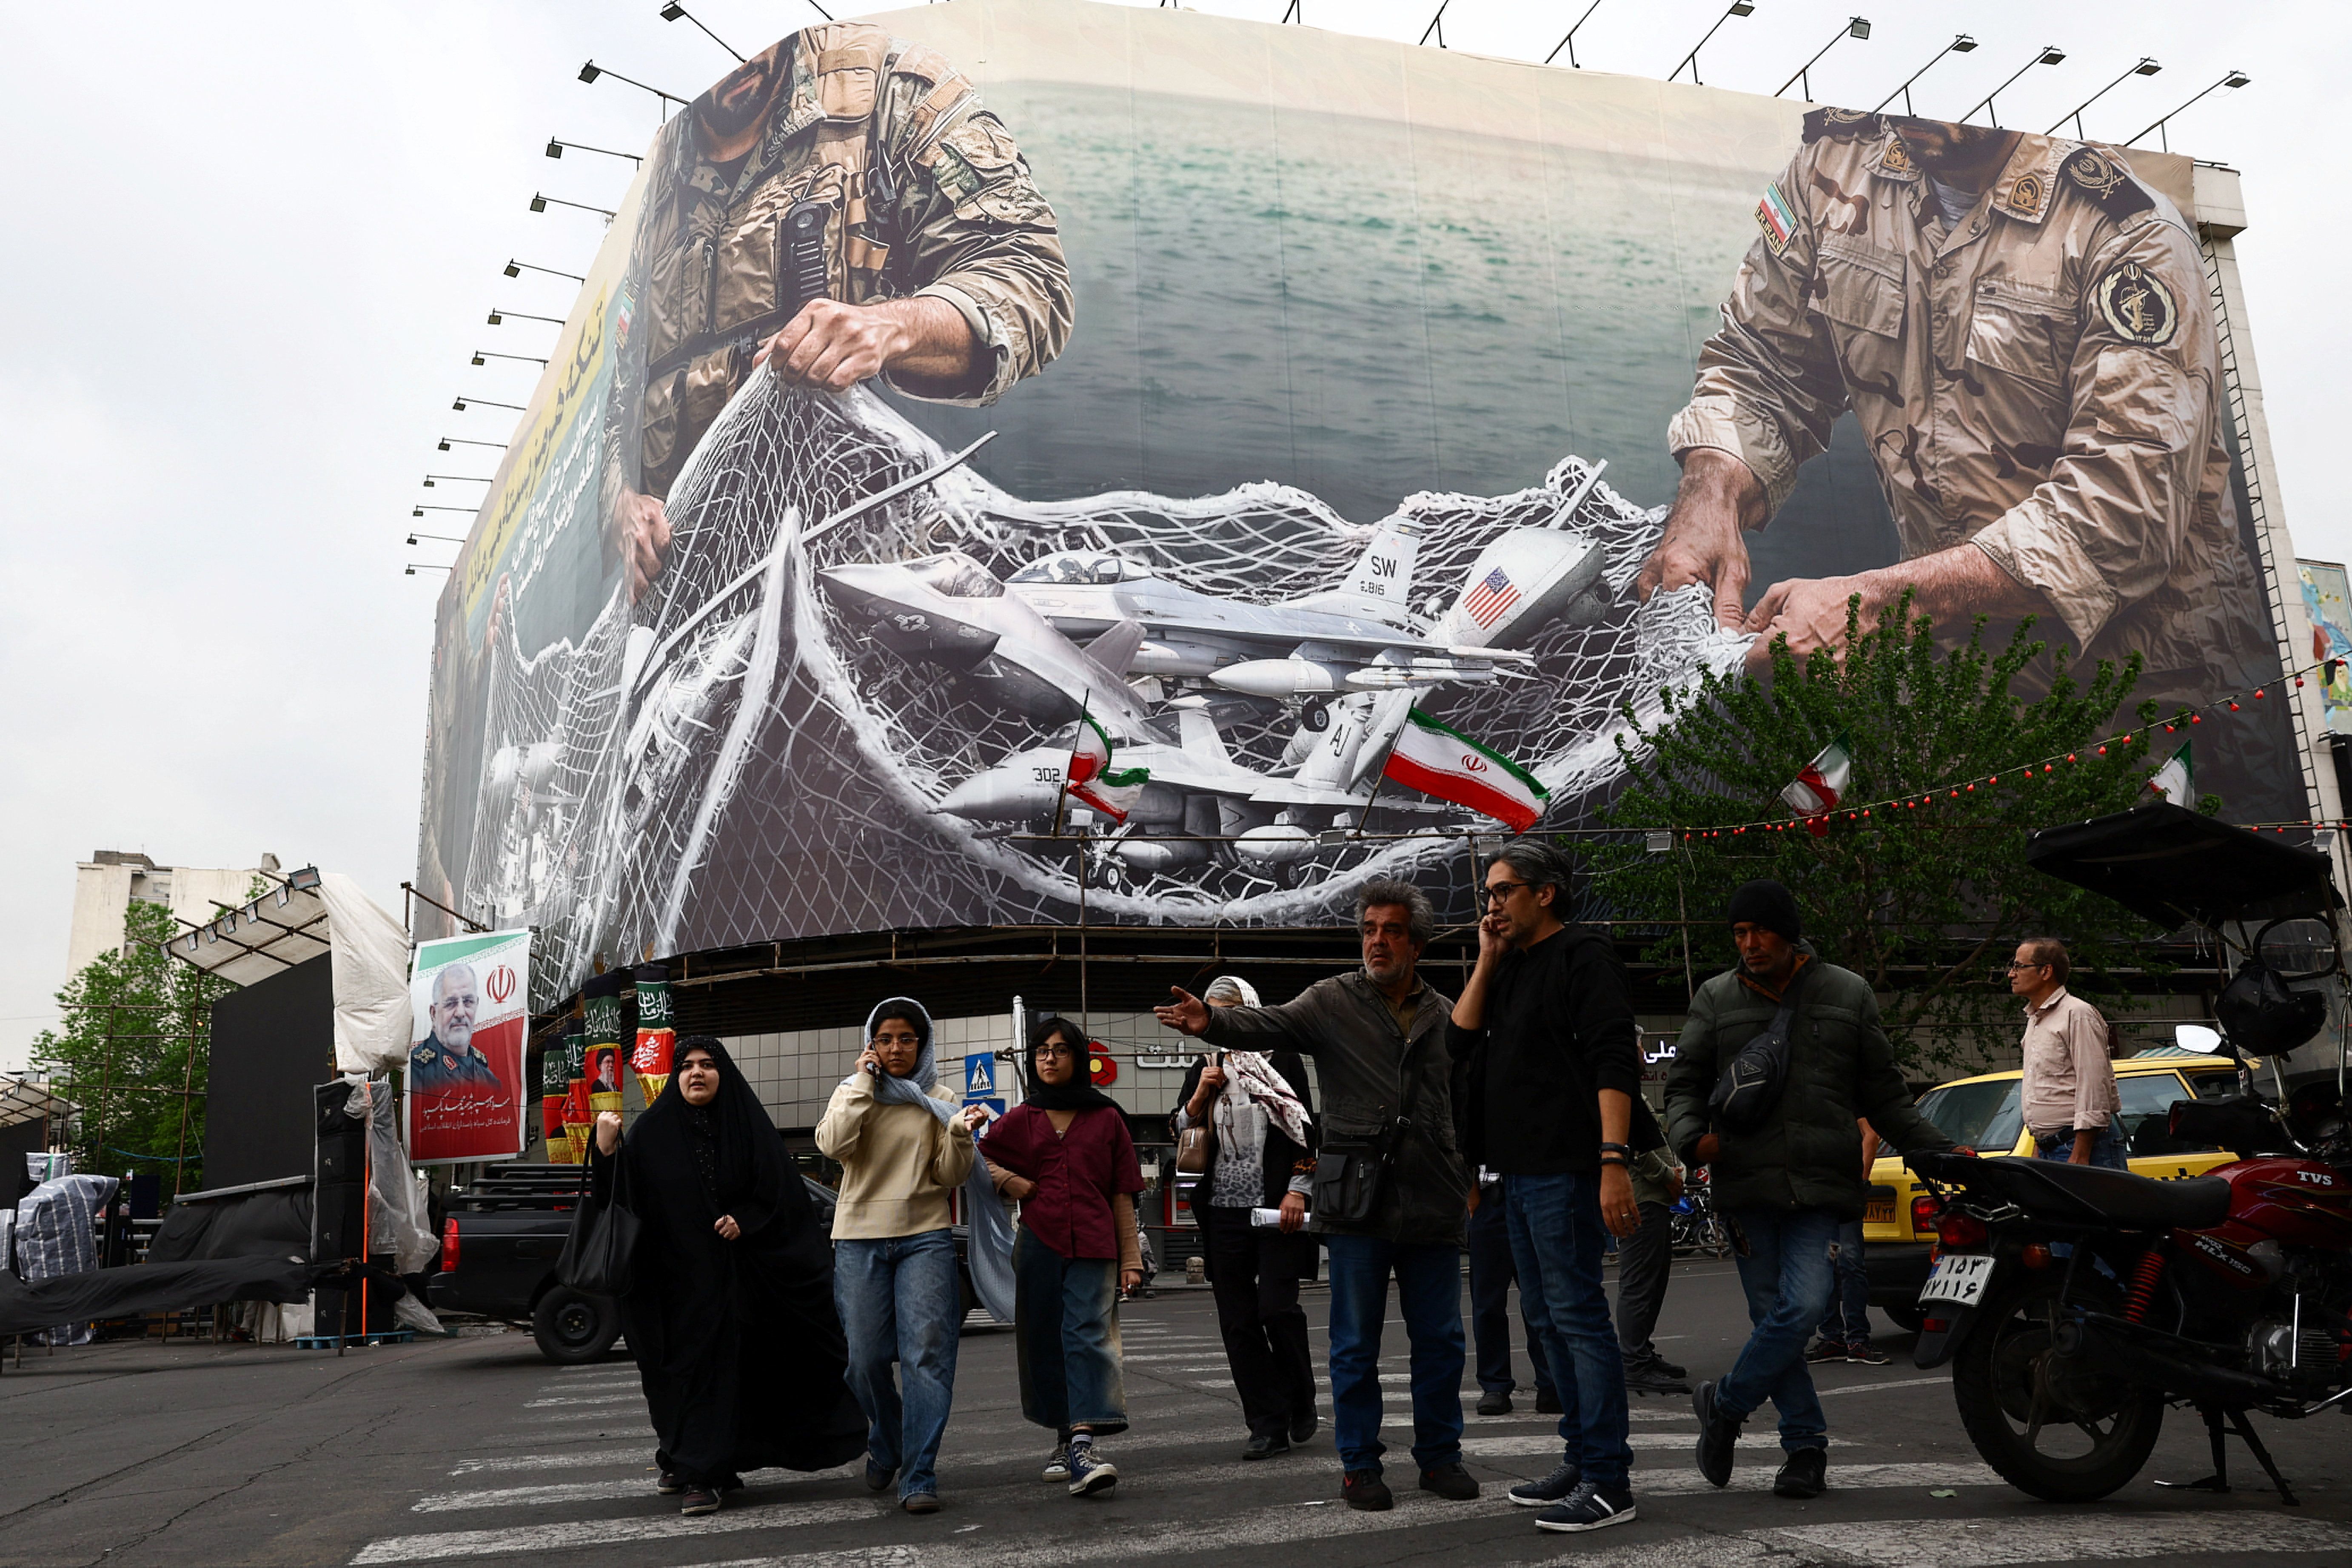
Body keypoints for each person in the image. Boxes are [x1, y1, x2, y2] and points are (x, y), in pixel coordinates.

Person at [1635, 112, 2269, 725]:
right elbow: (1763, 363)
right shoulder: (1831, 169)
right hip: (1958, 690)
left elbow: (2123, 510)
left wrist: (1872, 606)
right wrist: (1708, 491)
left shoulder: (2127, 230)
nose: (1905, 102)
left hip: (2149, 696)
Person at [601, 24, 1075, 602]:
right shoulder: (652, 193)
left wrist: (891, 327)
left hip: (869, 582)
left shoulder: (893, 93)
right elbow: (618, 405)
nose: (738, 58)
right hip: (689, 608)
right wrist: (621, 506)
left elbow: (1031, 277)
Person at [1156, 881, 1477, 1513]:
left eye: (1390, 930)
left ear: (1416, 942)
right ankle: (1360, 1465)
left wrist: (1471, 1174)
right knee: (1354, 1342)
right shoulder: (1332, 1000)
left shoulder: (1446, 1014)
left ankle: (1440, 1457)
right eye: (1368, 929)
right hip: (1357, 1199)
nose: (1377, 940)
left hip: (1433, 1198)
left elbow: (1468, 1099)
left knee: (1440, 1338)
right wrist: (1211, 1020)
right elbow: (1268, 1021)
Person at [1665, 880, 1953, 1500]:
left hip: (1821, 1188)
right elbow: (1683, 1083)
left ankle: (1725, 1402)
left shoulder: (1847, 991)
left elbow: (1885, 1093)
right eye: (1738, 935)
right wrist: (1693, 1140)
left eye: (1759, 932)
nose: (1748, 945)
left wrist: (1943, 1151)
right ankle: (1805, 1450)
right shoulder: (1715, 997)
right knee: (1777, 1320)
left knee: (1798, 1311)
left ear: (1788, 932)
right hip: (1746, 1187)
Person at [1447, 839, 1642, 1534]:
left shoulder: (1582, 956)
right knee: (1548, 1323)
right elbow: (1458, 1042)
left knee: (1578, 1319)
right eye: (1488, 896)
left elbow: (1614, 1058)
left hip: (1566, 1170)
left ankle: (1607, 1479)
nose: (1491, 905)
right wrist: (1486, 956)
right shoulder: (1508, 967)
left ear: (1544, 893)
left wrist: (1612, 1159)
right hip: (1513, 1176)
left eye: (1501, 892)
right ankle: (1580, 1457)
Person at [588, 1037, 867, 1517]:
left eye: (708, 1065)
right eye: (688, 1067)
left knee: (734, 1373)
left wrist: (747, 1218)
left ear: (725, 1073)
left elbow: (780, 1195)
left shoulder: (749, 1128)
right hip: (675, 1286)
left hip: (743, 1286)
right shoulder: (654, 1132)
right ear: (675, 1077)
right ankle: (683, 1456)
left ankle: (706, 1471)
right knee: (679, 1374)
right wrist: (606, 1151)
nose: (697, 1073)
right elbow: (619, 1201)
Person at [815, 998, 986, 1514]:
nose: (895, 1048)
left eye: (906, 1039)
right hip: (859, 1238)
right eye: (885, 1038)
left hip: (925, 1235)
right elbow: (832, 1143)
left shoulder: (941, 1096)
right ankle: (887, 1439)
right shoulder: (852, 1091)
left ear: (922, 1042)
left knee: (926, 1358)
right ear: (872, 1042)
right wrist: (864, 1084)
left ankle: (919, 1472)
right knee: (864, 1360)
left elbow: (950, 1176)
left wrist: (959, 1134)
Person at [980, 1017, 1146, 1497]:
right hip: (1039, 1243)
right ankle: (1062, 1435)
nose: (1049, 1058)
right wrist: (1012, 1181)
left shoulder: (1106, 1117)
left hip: (1096, 1244)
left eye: (1060, 1050)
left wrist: (1131, 1258)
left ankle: (1082, 1443)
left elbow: (1122, 1192)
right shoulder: (1023, 1117)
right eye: (1041, 1051)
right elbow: (979, 1157)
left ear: (1078, 1058)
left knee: (1087, 1337)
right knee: (1044, 1341)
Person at [1172, 976, 1321, 1460]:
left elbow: (1306, 1127)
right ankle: (1266, 1421)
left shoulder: (1281, 1060)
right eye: (1212, 1011)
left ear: (1251, 1013)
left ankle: (1300, 1394)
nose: (1219, 1020)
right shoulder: (1205, 1063)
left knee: (1276, 1308)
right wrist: (1199, 1095)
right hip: (1223, 1212)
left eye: (1228, 1011)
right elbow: (1181, 1127)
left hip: (1277, 1208)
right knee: (1238, 1322)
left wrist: (1299, 1189)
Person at [2013, 938, 2127, 1169]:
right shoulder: (2036, 1019)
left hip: (2080, 1147)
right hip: (2051, 1147)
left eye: (2019, 966)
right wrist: (2039, 1146)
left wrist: (2080, 1154)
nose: (2011, 974)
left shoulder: (2078, 1014)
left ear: (2046, 971)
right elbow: (2045, 1091)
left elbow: (2094, 1086)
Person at [1467, 1166, 1557, 1416]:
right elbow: (1465, 1150)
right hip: (1491, 1197)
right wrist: (1474, 1199)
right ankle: (1495, 1387)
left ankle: (1552, 1383)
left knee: (1540, 1299)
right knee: (1487, 1303)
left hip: (1535, 1194)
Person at [1805, 1120, 1892, 1366]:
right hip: (1822, 1199)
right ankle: (1835, 1338)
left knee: (1848, 1264)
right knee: (1830, 1263)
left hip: (1841, 1197)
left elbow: (1871, 1136)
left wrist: (1860, 1181)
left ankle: (1856, 1339)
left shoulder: (1845, 1099)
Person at [1616, 1132, 1691, 1396]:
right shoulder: (1622, 1097)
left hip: (1652, 1198)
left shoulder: (1633, 1095)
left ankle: (1641, 1354)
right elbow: (1633, 1146)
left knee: (1653, 1284)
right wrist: (1668, 1176)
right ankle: (1634, 1364)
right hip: (1642, 1198)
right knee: (1640, 1286)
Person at [409, 964, 504, 1094]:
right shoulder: (415, 1072)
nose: (460, 1013)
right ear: (434, 1013)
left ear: (476, 1005)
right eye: (451, 1003)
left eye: (468, 1002)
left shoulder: (490, 1080)